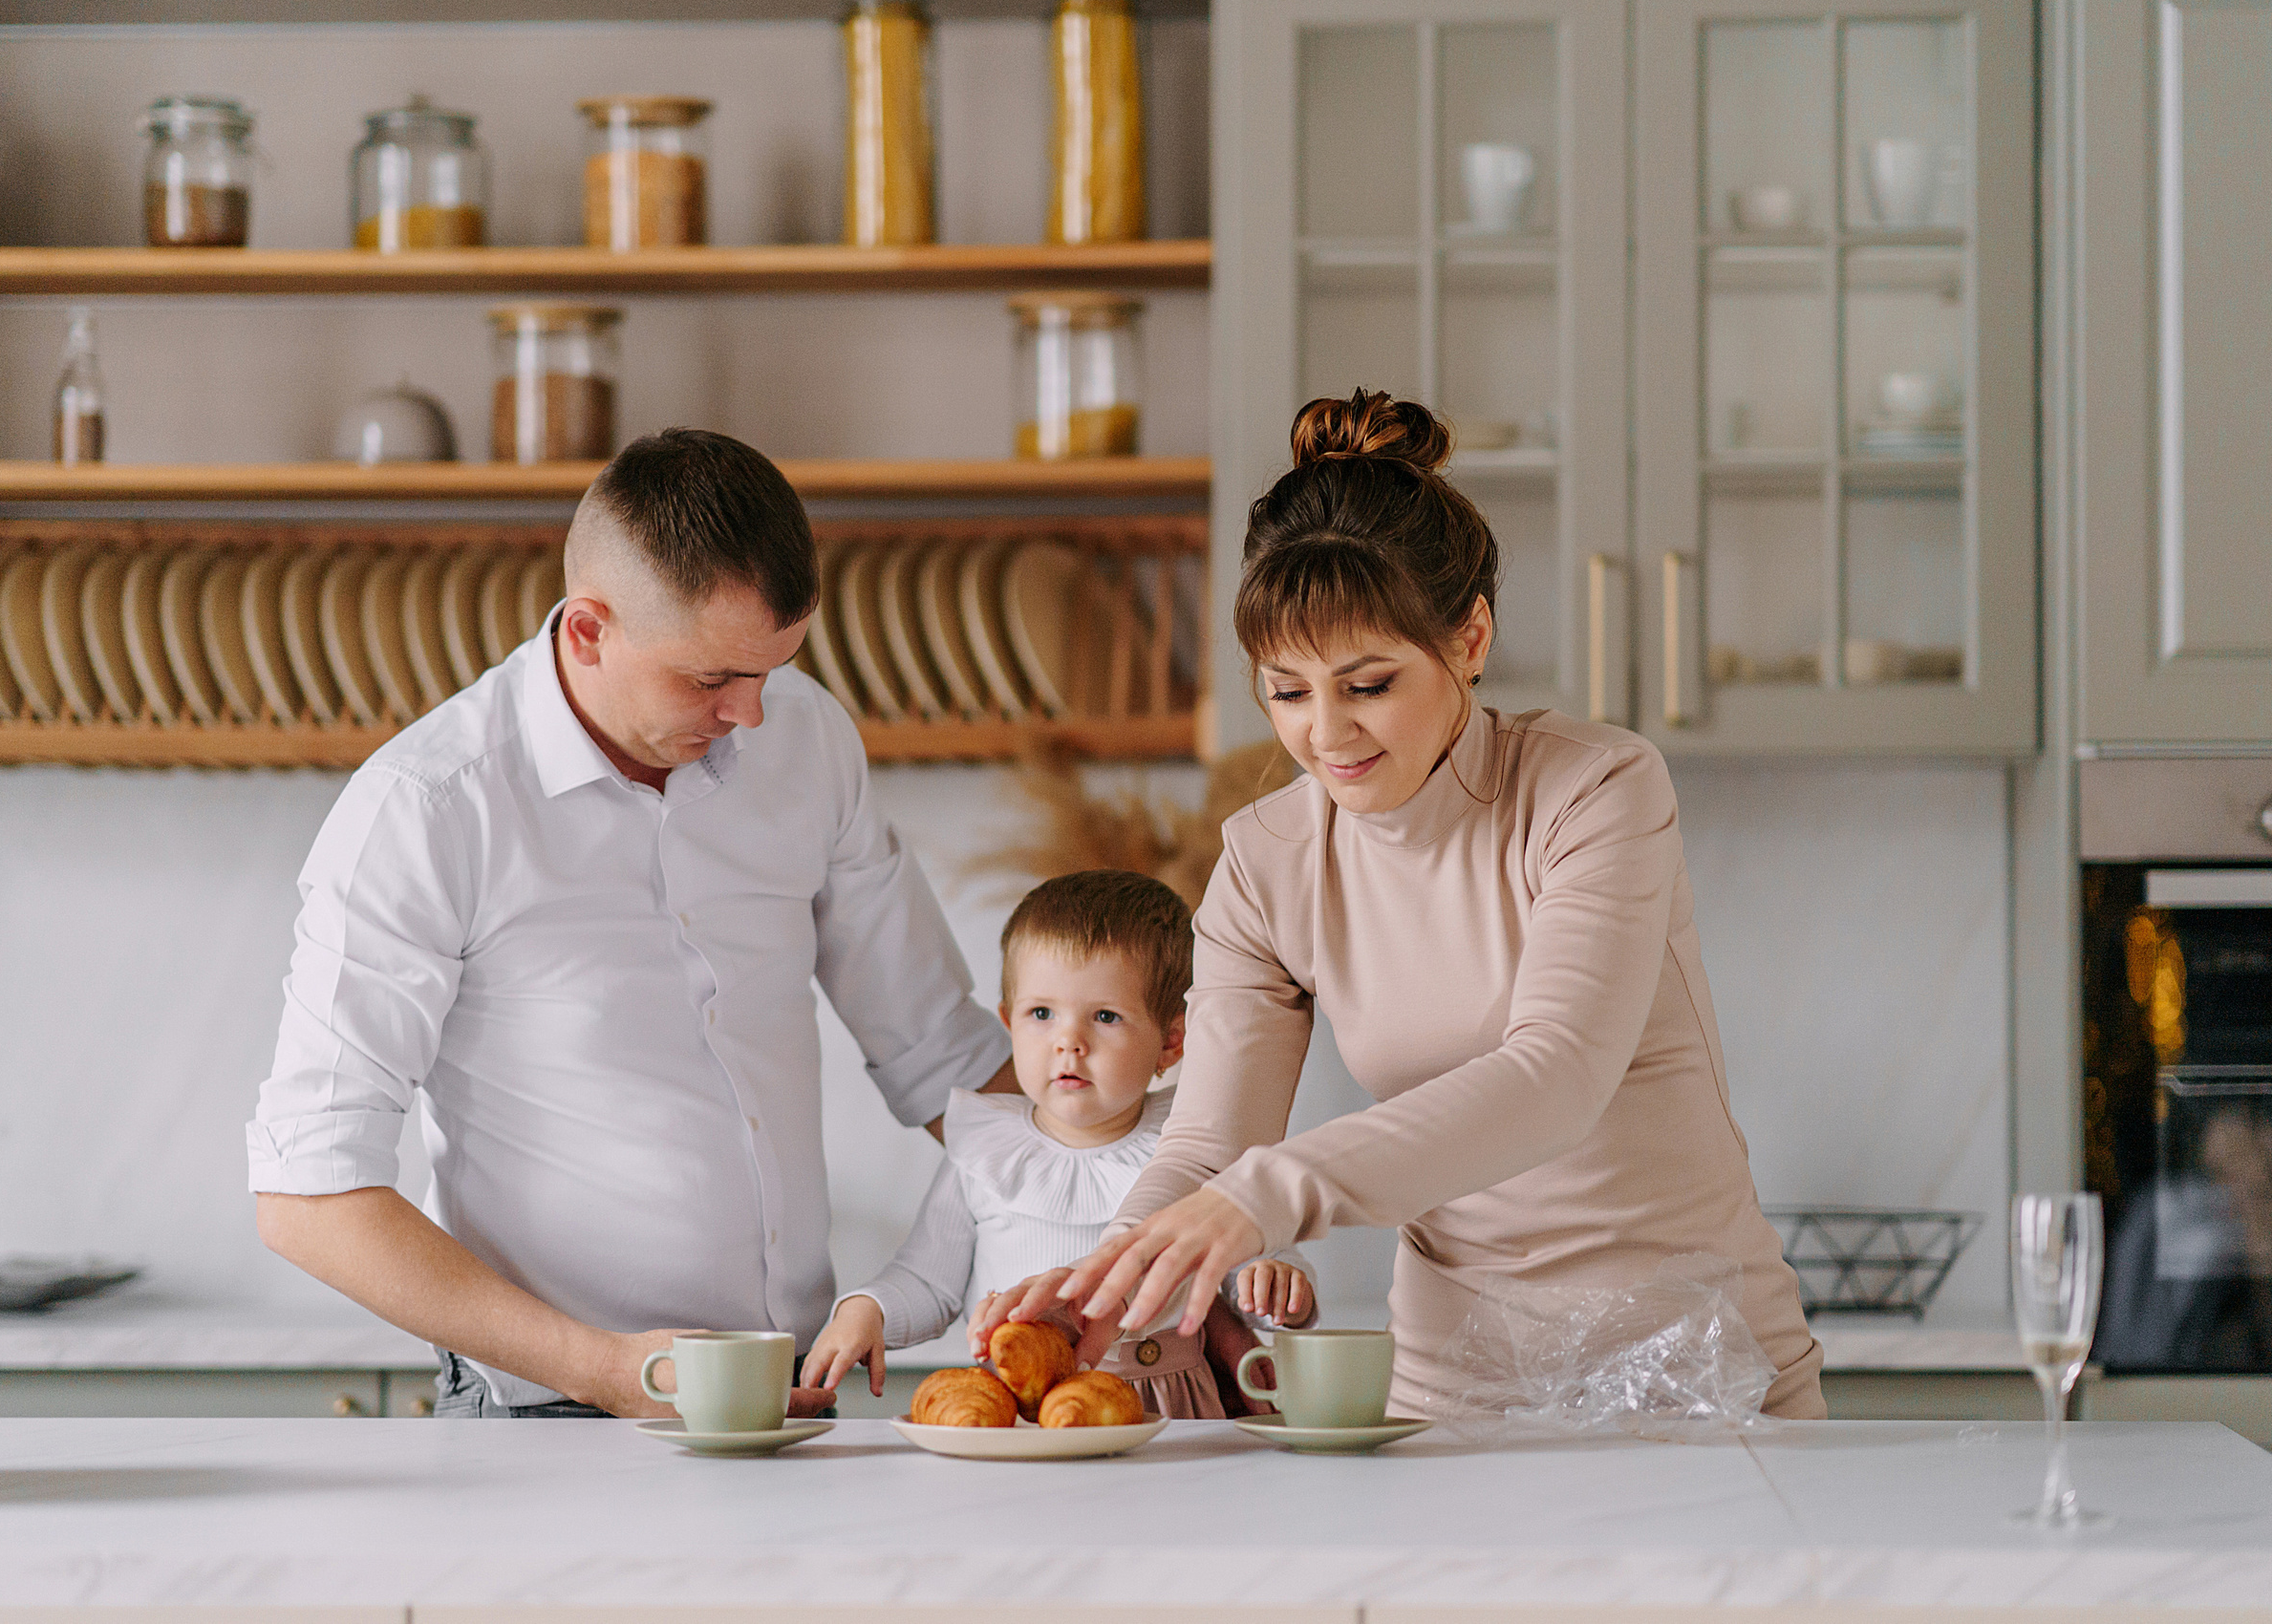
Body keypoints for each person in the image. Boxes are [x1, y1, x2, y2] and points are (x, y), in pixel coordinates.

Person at [983, 390, 1826, 1420]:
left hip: (1696, 1360)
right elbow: (1209, 1148)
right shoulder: (1264, 859)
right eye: (1286, 692)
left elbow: (1556, 1073)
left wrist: (1266, 1195)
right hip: (1455, 1376)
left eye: (1367, 683)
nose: (1325, 733)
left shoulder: (1595, 789)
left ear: (1468, 638)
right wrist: (1108, 1277)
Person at [246, 430, 1016, 1419]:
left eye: (771, 671)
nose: (751, 715)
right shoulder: (429, 807)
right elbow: (309, 1194)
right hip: (545, 1414)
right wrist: (608, 1369)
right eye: (708, 680)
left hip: (787, 1401)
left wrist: (1120, 1245)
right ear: (586, 631)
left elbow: (944, 1054)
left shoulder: (810, 739)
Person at [804, 870, 1317, 1418]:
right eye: (1041, 1014)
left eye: (1105, 1016)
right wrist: (867, 1310)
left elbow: (1242, 1258)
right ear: (1009, 1023)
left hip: (1167, 1406)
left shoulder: (1197, 1143)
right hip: (1024, 1408)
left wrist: (1276, 1279)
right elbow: (929, 1281)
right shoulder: (985, 1152)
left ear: (1171, 1042)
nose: (1069, 1041)